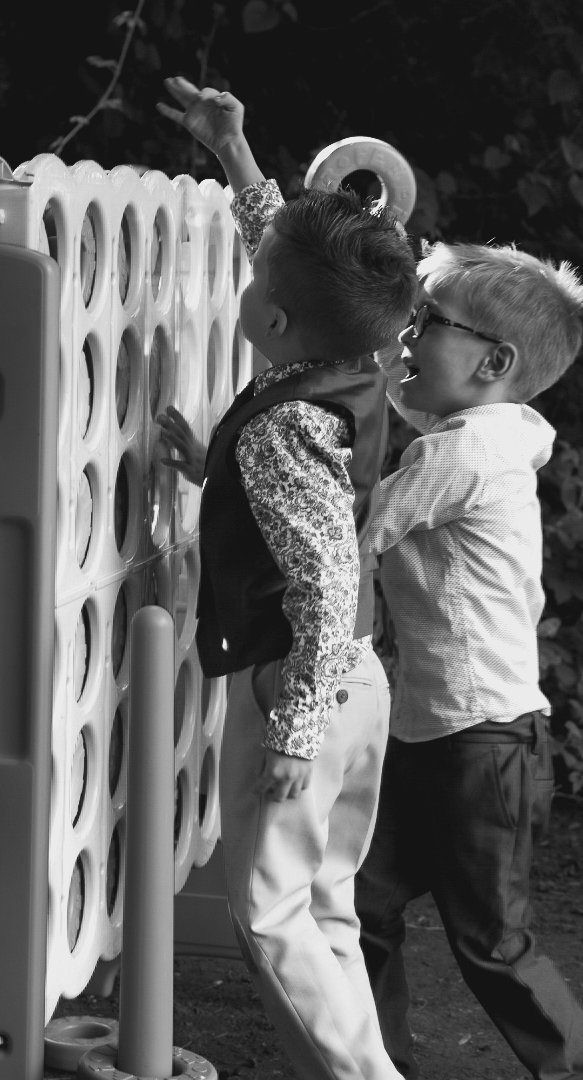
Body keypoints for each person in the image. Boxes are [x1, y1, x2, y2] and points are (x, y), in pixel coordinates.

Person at [156, 76, 418, 1080]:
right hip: (359, 680)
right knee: (324, 905)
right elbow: (293, 252)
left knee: (266, 914)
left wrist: (293, 730)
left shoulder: (280, 430)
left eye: (254, 272)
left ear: (268, 320)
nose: (252, 263)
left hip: (300, 683)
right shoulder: (355, 356)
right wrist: (234, 151)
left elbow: (325, 575)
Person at [353, 242, 583, 1080]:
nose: (406, 335)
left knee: (492, 941)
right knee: (361, 900)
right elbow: (405, 413)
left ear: (493, 362)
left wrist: (225, 473)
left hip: (480, 748)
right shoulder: (482, 433)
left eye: (427, 322)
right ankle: (376, 1064)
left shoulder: (463, 454)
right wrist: (382, 374)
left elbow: (347, 527)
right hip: (442, 733)